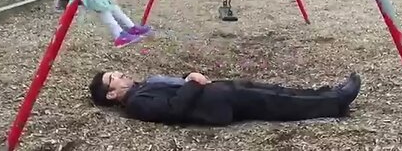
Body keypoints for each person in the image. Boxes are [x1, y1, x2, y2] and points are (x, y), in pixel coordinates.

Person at [89, 70, 361, 126]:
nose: (122, 74)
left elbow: (175, 88)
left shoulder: (142, 87)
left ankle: (327, 95)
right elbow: (173, 110)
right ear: (112, 94)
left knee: (276, 92)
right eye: (114, 77)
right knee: (275, 101)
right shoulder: (136, 103)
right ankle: (338, 101)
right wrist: (194, 82)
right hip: (214, 105)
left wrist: (188, 77)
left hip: (216, 95)